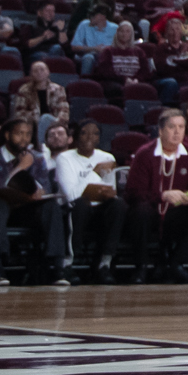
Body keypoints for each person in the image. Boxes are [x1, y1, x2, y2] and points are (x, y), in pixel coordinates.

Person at [123, 108, 188, 282]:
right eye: (172, 127)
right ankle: (141, 267)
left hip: (176, 213)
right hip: (151, 211)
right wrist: (163, 195)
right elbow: (133, 193)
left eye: (181, 127)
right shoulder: (145, 154)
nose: (177, 132)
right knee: (141, 210)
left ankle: (176, 264)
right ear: (161, 130)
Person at [0, 116, 69, 285]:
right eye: (19, 134)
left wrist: (39, 192)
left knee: (51, 206)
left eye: (28, 134)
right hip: (0, 209)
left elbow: (45, 187)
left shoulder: (36, 158)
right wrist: (21, 167)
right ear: (7, 135)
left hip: (26, 209)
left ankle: (57, 268)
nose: (24, 138)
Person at [57, 120, 123, 283]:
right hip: (74, 208)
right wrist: (94, 172)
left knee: (118, 205)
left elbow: (110, 189)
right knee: (81, 204)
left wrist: (106, 193)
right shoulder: (64, 158)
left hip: (99, 208)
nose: (89, 137)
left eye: (95, 134)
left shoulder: (107, 157)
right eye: (84, 132)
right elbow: (72, 195)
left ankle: (104, 264)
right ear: (75, 136)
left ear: (99, 139)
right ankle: (67, 265)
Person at [12, 61, 70, 143]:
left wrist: (56, 123)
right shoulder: (24, 90)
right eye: (35, 71)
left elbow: (64, 110)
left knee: (46, 118)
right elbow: (19, 113)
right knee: (43, 119)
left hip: (54, 123)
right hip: (32, 124)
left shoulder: (58, 89)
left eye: (42, 70)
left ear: (48, 72)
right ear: (31, 74)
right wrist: (35, 118)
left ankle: (40, 147)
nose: (39, 72)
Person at [70, 4, 119, 75]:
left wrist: (107, 50)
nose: (90, 17)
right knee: (88, 57)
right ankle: (84, 82)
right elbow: (74, 47)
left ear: (102, 17)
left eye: (93, 15)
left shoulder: (115, 28)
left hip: (107, 56)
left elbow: (121, 47)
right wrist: (94, 49)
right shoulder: (84, 25)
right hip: (88, 55)